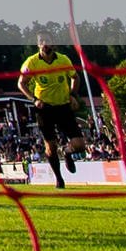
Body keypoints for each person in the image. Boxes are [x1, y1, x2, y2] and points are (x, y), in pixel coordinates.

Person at [20, 32, 81, 188]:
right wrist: (34, 100)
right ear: (38, 44)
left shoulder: (63, 59)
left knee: (79, 144)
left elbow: (75, 77)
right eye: (42, 42)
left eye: (48, 41)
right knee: (50, 147)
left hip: (63, 106)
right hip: (45, 108)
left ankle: (67, 152)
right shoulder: (31, 62)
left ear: (53, 43)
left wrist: (73, 95)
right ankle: (59, 179)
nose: (45, 44)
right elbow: (21, 83)